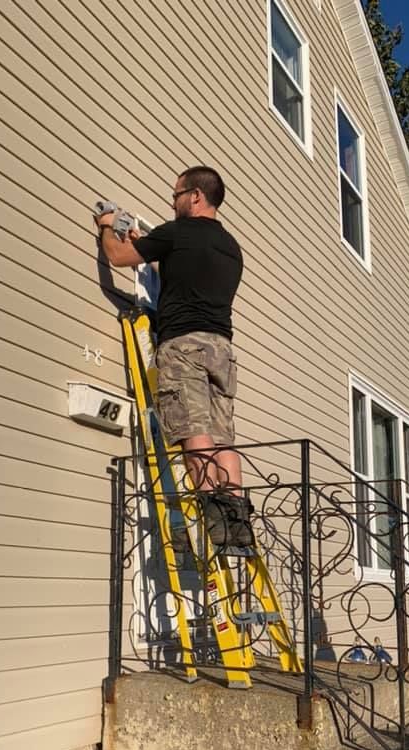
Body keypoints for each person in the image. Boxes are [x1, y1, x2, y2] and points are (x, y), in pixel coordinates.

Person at [95, 165, 252, 547]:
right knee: (222, 437)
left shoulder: (177, 232)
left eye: (177, 194)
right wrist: (151, 251)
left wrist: (105, 224)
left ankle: (212, 514)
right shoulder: (230, 247)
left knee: (193, 430)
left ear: (195, 196)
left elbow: (117, 256)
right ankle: (235, 522)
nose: (173, 200)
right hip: (222, 349)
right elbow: (183, 271)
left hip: (185, 347)